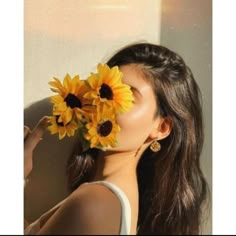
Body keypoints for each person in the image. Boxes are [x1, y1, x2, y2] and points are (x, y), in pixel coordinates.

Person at [24, 43, 209, 235]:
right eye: (106, 91)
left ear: (161, 128)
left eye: (126, 97)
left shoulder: (94, 203)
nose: (103, 105)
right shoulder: (110, 202)